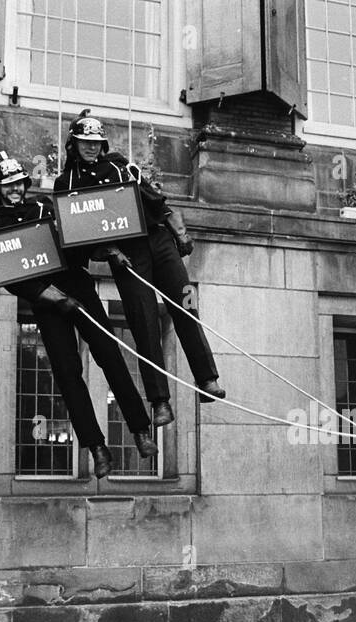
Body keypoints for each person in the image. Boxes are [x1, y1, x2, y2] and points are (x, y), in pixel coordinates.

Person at [0, 151, 156, 476]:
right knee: (67, 373)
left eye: (19, 183)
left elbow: (81, 236)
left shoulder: (45, 206)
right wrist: (52, 297)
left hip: (77, 284)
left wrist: (108, 250)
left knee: (110, 355)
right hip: (47, 304)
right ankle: (97, 448)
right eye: (8, 186)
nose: (15, 190)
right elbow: (11, 278)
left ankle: (140, 430)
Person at [54, 111, 224, 426]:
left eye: (96, 142)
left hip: (158, 241)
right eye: (84, 142)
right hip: (126, 255)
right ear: (73, 144)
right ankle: (160, 401)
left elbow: (157, 201)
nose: (91, 148)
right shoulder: (67, 183)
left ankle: (206, 379)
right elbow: (75, 236)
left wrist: (180, 233)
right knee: (144, 324)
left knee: (186, 305)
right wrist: (107, 251)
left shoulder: (122, 166)